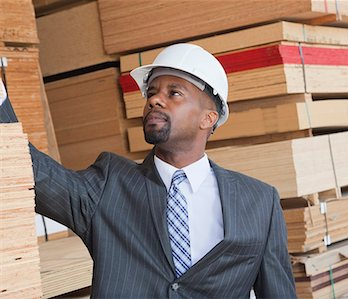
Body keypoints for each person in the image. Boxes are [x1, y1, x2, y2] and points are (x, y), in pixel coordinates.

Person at [0, 43, 296, 298]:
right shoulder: (109, 184)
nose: (155, 99)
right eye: (151, 92)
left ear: (208, 118)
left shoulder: (259, 201)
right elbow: (33, 175)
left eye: (174, 93)